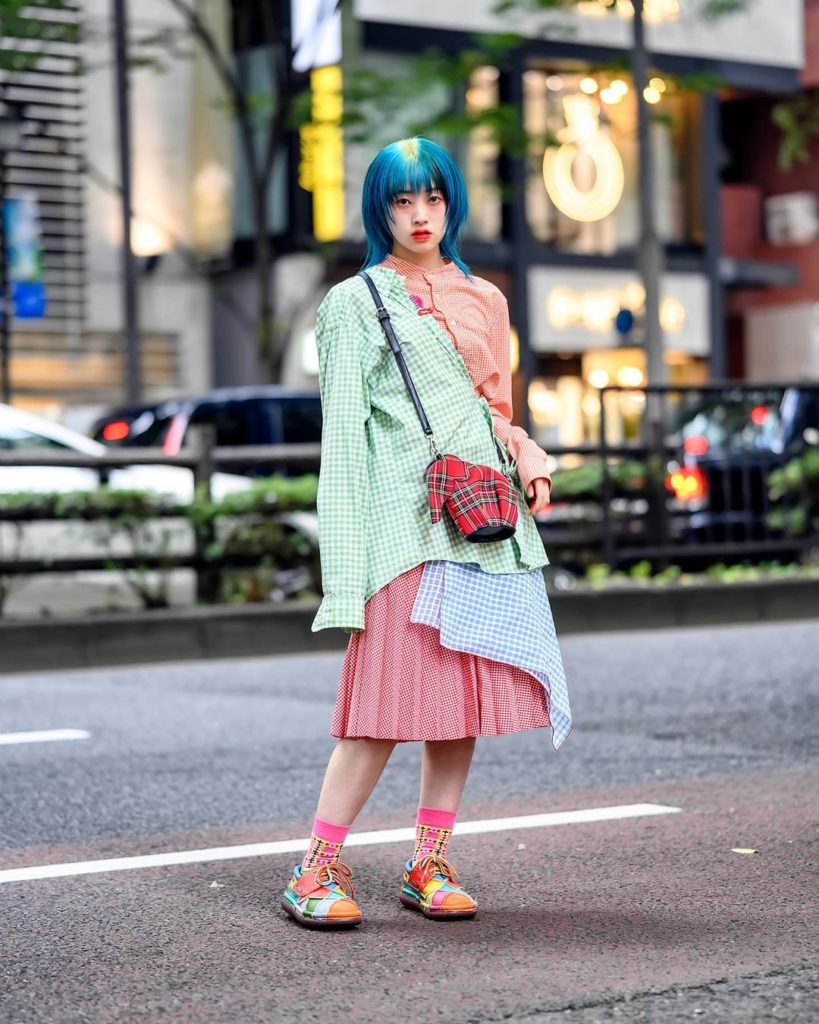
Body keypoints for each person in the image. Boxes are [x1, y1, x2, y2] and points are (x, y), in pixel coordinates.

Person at [280, 136, 572, 930]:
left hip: (478, 518)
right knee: (379, 708)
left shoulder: (483, 296)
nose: (418, 214)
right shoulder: (353, 301)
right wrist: (346, 572)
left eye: (432, 197)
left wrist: (527, 457)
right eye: (401, 200)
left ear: (452, 202)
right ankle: (315, 867)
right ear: (379, 209)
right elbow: (342, 439)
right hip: (402, 527)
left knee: (458, 707)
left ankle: (428, 861)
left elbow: (493, 409)